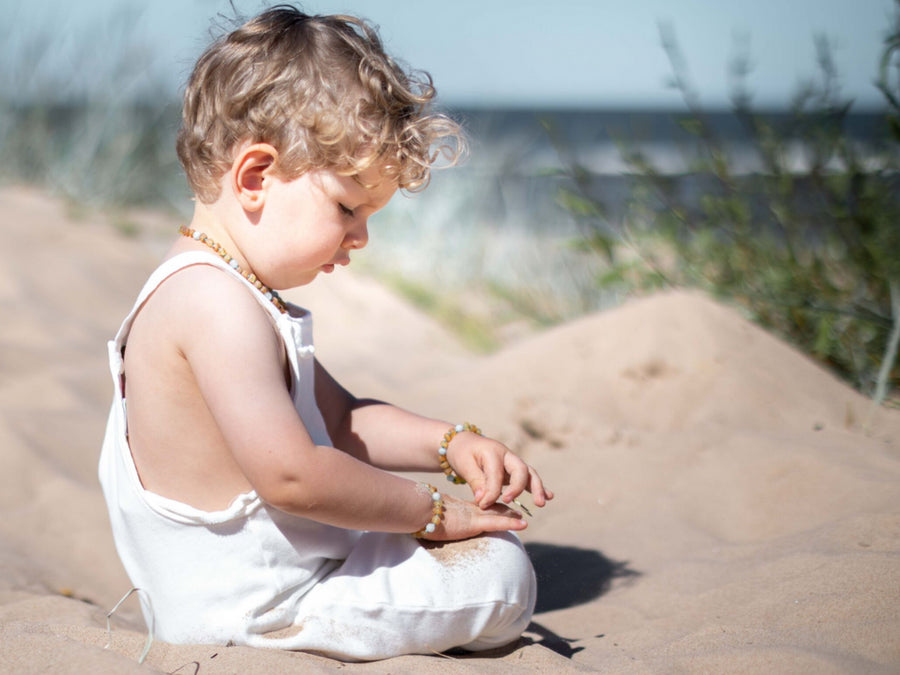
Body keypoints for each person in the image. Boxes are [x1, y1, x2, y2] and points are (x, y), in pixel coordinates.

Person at [98, 4, 552, 662]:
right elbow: (293, 476)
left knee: (439, 544)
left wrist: (449, 443)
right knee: (501, 575)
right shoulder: (213, 305)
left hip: (273, 578)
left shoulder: (225, 290)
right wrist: (434, 512)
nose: (361, 236)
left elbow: (341, 420)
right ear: (256, 176)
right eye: (348, 207)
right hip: (257, 608)